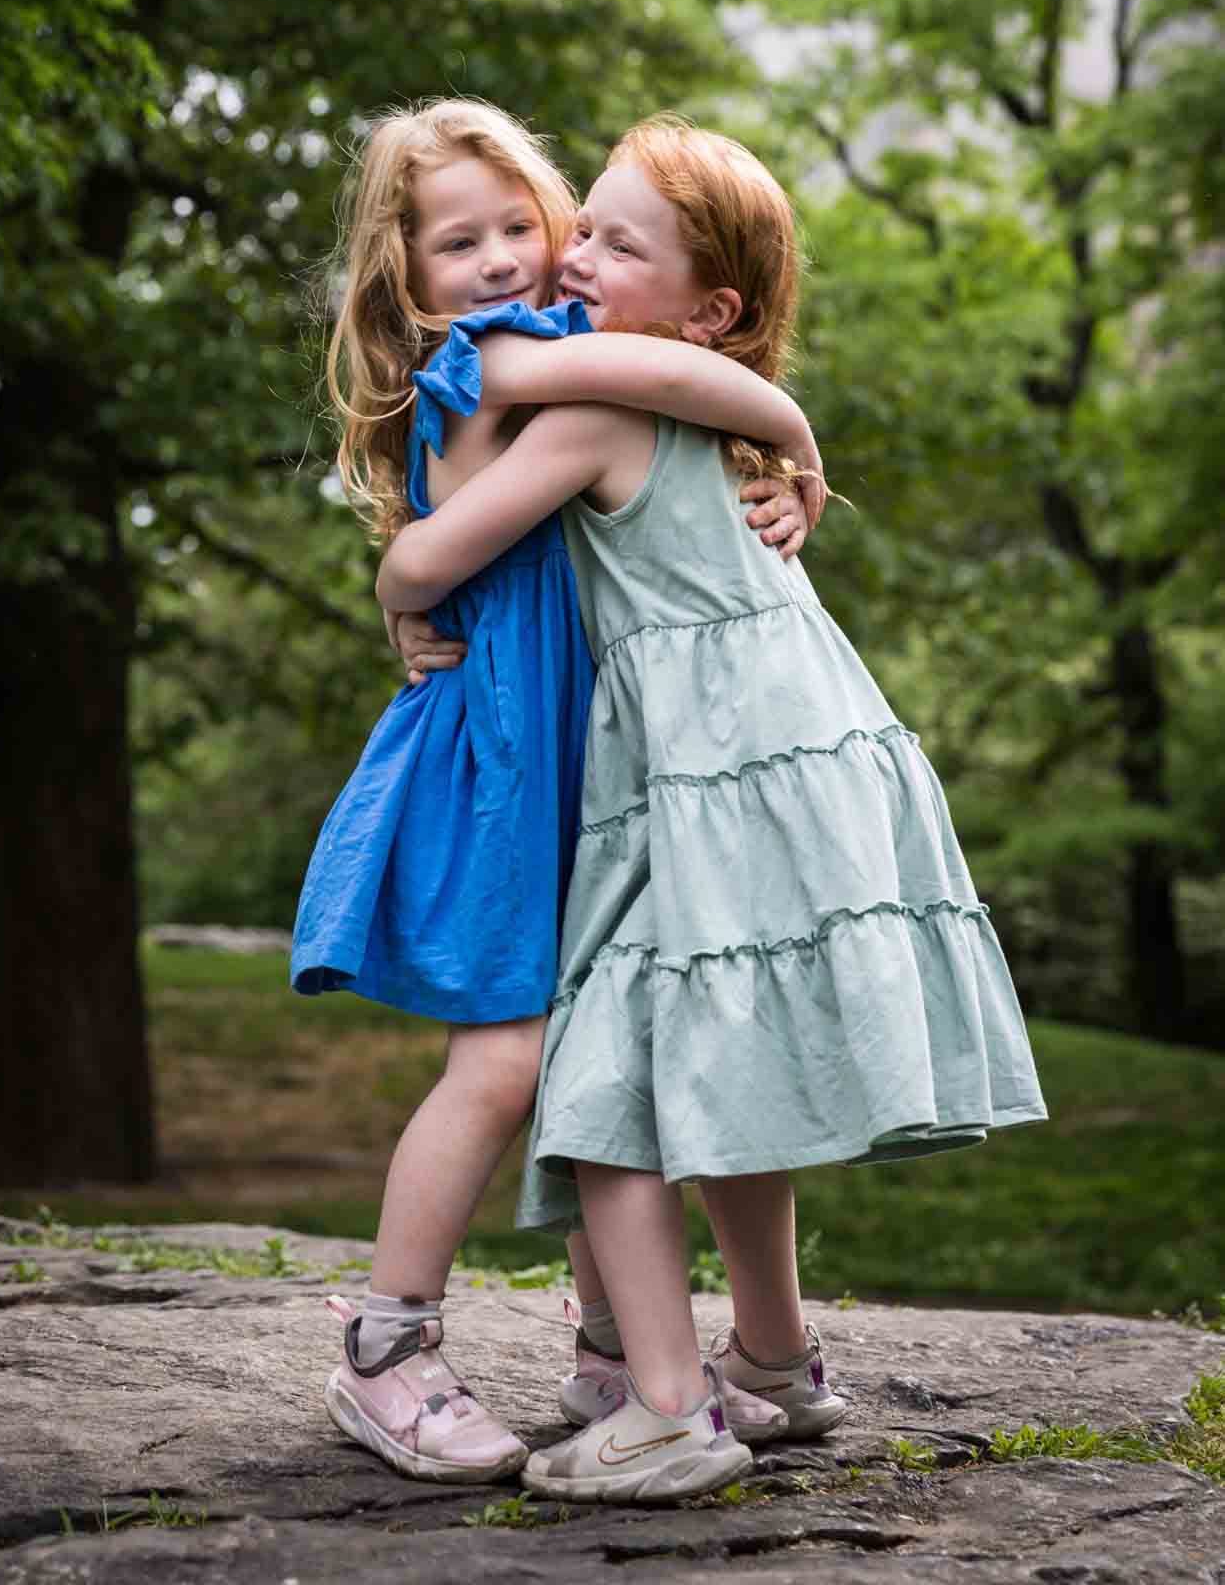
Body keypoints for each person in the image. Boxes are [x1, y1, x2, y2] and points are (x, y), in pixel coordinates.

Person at [377, 115, 1050, 1504]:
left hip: (718, 771)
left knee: (607, 1081)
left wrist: (403, 595)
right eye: (583, 226)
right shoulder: (689, 392)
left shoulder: (592, 399)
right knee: (722, 1068)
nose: (562, 255)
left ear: (708, 305)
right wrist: (794, 428)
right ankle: (774, 1362)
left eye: (608, 241)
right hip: (801, 760)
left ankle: (668, 1411)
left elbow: (430, 554)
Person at [292, 99, 827, 1486]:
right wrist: (789, 423)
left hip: (581, 753)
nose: (494, 259)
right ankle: (385, 1348)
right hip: (503, 756)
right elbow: (692, 387)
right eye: (450, 242)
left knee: (607, 1057)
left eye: (517, 228)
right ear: (404, 279)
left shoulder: (544, 365)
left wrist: (767, 472)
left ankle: (614, 1358)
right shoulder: (513, 354)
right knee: (511, 1063)